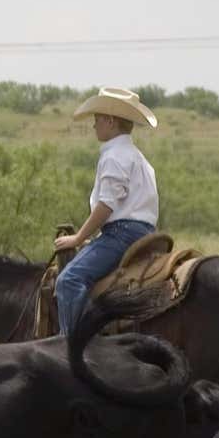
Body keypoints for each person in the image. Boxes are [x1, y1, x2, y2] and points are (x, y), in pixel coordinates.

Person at [52, 86, 159, 336]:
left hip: (121, 233)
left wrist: (78, 238)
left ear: (110, 121)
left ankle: (68, 348)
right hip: (144, 231)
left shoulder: (115, 155)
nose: (94, 126)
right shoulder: (137, 157)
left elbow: (106, 205)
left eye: (97, 119)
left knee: (69, 280)